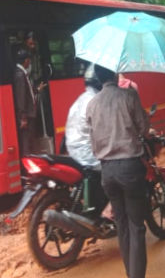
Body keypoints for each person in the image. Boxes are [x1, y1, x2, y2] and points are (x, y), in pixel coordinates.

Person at [87, 65, 150, 278]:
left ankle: (129, 274)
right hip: (130, 169)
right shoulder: (129, 96)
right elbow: (143, 128)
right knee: (136, 227)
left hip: (108, 173)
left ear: (97, 77)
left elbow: (92, 139)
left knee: (122, 226)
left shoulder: (92, 104)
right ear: (115, 74)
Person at [65, 64, 109, 220]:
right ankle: (107, 212)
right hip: (87, 153)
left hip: (73, 150)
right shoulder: (97, 101)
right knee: (113, 169)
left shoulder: (81, 99)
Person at [13, 48, 45, 155]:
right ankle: (28, 161)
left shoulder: (22, 73)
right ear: (26, 60)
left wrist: (37, 90)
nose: (30, 62)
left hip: (29, 114)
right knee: (27, 140)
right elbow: (21, 97)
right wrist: (23, 118)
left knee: (30, 139)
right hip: (27, 115)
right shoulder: (20, 74)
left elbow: (27, 91)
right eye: (29, 60)